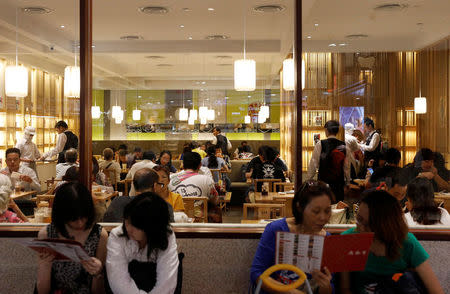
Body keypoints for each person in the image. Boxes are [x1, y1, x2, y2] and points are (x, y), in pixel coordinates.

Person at [340, 190, 444, 294]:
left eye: (368, 225)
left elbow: (435, 290)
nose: (361, 228)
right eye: (359, 219)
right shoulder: (348, 239)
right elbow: (345, 289)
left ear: (385, 225)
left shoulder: (406, 242)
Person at [250, 181, 334, 294]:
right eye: (316, 211)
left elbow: (331, 287)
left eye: (327, 211)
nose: (323, 217)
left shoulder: (327, 240)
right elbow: (257, 273)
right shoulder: (276, 229)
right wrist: (290, 292)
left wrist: (325, 286)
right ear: (300, 207)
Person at [36, 182, 108, 294]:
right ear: (61, 214)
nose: (80, 223)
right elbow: (42, 291)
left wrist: (98, 273)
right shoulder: (47, 234)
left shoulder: (99, 235)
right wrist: (45, 265)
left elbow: (98, 292)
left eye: (84, 217)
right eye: (73, 219)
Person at [106, 193, 179, 293]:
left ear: (151, 229)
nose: (128, 229)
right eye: (127, 221)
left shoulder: (166, 236)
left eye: (136, 226)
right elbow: (118, 281)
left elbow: (167, 284)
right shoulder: (117, 236)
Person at [307, 120, 350, 202]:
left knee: (324, 205)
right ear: (337, 131)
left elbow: (313, 163)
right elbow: (346, 167)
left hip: (323, 184)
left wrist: (309, 179)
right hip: (338, 184)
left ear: (326, 130)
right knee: (338, 209)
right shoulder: (344, 146)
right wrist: (347, 182)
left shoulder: (320, 144)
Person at [169, 152, 218, 221]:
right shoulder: (207, 180)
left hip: (177, 220)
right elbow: (215, 200)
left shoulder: (170, 179)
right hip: (199, 222)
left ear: (183, 164)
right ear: (200, 165)